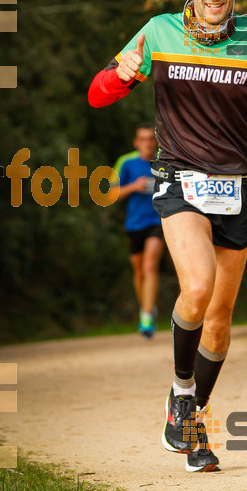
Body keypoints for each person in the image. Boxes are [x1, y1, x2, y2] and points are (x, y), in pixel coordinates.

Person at [88, 0, 247, 472]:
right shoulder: (159, 31)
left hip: (241, 187)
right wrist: (123, 73)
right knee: (198, 287)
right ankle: (181, 392)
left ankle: (189, 420)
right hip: (179, 180)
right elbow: (98, 94)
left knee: (219, 322)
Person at [109, 125, 165, 337]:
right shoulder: (126, 162)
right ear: (136, 143)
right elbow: (109, 194)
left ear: (156, 142)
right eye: (143, 139)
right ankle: (147, 308)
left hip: (158, 221)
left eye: (151, 139)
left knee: (150, 265)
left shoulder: (164, 161)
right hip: (133, 224)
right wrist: (134, 186)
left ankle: (146, 316)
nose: (148, 143)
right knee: (139, 271)